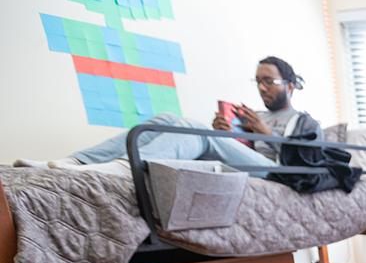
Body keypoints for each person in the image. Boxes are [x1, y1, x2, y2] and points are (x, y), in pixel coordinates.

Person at [15, 56, 320, 175]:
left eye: (269, 81)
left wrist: (265, 134)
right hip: (241, 162)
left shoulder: (304, 121)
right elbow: (238, 151)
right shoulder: (251, 115)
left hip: (277, 174)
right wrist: (227, 133)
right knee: (167, 119)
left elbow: (310, 163)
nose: (262, 87)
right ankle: (76, 162)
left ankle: (120, 169)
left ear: (290, 86)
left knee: (193, 129)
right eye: (258, 81)